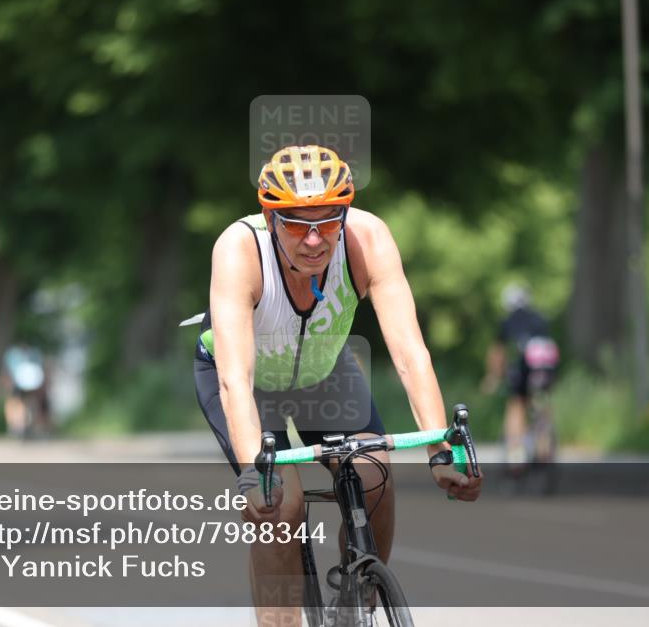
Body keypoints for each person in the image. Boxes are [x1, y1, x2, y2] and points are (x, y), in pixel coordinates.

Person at [193, 144, 482, 626]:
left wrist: (440, 451)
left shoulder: (368, 239)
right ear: (269, 217)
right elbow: (235, 380)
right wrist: (253, 475)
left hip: (321, 372)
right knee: (280, 510)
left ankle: (359, 603)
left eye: (329, 221)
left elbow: (410, 352)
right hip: (246, 382)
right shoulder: (239, 249)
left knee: (375, 476)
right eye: (297, 223)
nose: (314, 240)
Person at [481, 284, 559, 469]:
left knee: (516, 403)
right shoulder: (540, 319)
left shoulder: (508, 320)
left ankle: (515, 452)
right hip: (546, 367)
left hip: (525, 366)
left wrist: (493, 377)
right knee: (542, 401)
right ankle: (544, 444)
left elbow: (498, 353)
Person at [1, 343, 48, 437]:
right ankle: (17, 424)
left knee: (26, 402)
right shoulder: (13, 355)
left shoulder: (32, 354)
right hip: (18, 383)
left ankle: (23, 424)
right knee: (16, 402)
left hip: (28, 383)